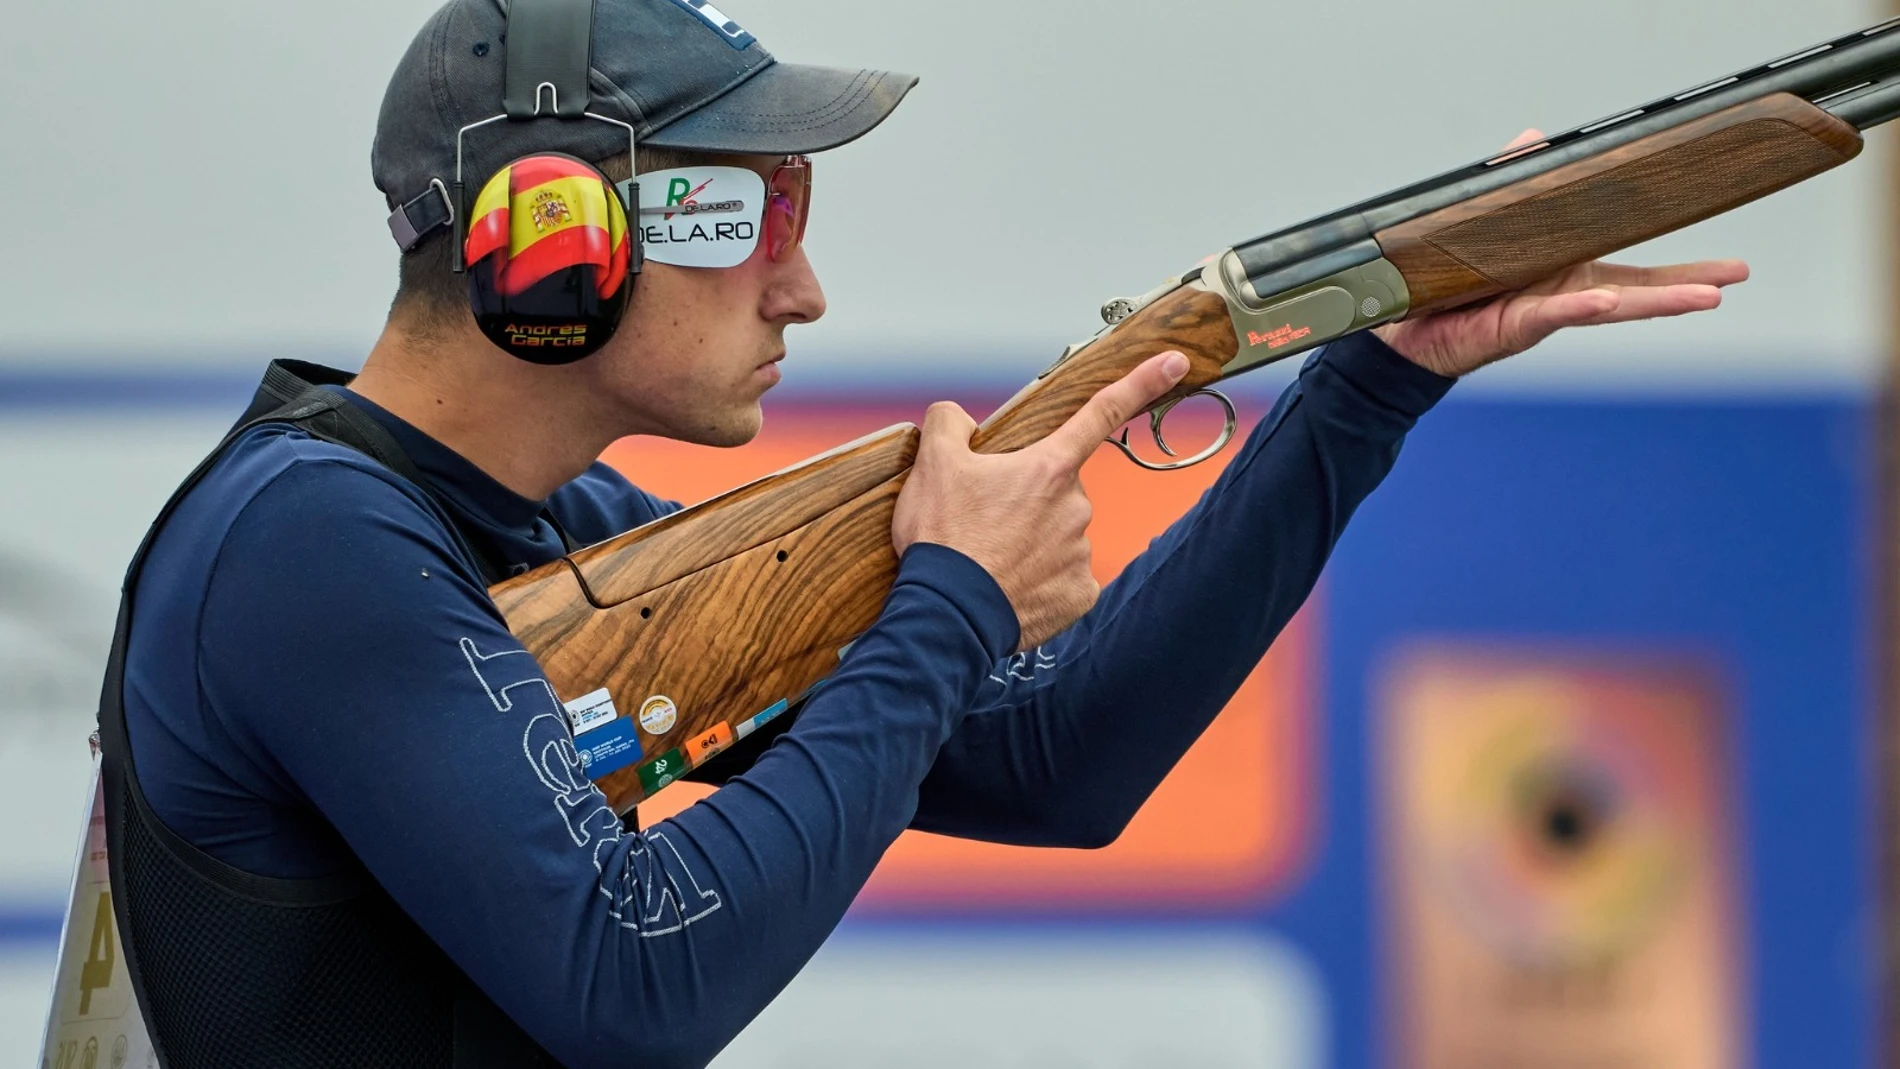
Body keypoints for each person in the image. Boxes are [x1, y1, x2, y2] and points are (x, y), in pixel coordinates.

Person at [99, 0, 1749, 1065]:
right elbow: (631, 983)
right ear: (551, 237)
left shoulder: (543, 528)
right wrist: (950, 596)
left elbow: (1058, 766)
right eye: (746, 215)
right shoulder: (308, 543)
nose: (801, 286)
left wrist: (1373, 380)